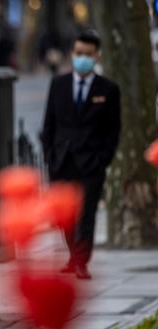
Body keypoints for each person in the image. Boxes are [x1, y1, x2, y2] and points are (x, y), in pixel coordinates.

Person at [41, 30, 121, 279]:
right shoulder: (59, 84)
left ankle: (80, 261)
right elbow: (49, 124)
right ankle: (73, 255)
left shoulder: (108, 89)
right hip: (62, 161)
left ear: (97, 56)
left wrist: (102, 160)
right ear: (72, 54)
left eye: (87, 54)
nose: (82, 58)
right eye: (78, 53)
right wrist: (50, 156)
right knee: (64, 216)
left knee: (86, 214)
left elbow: (113, 130)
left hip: (90, 164)